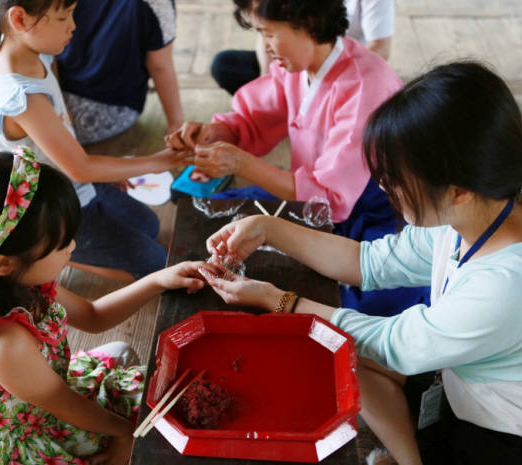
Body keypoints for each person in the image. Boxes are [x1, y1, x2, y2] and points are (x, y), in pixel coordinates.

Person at [201, 62, 522, 465]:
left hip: (517, 440)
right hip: (468, 387)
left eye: (396, 176)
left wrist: (278, 301)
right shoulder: (484, 209)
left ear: (458, 189)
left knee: (341, 350)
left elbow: (396, 346)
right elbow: (369, 261)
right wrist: (268, 228)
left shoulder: (509, 286)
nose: (383, 186)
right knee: (342, 355)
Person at [0, 150, 210, 465]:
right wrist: (126, 435)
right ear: (3, 263)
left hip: (48, 399)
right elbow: (66, 404)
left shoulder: (22, 286)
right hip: (21, 439)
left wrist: (157, 281)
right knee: (156, 433)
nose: (74, 247)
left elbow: (93, 317)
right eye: (61, 244)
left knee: (162, 395)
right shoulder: (5, 345)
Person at [166, 0, 427, 317]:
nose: (265, 47)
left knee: (371, 309)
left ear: (310, 23)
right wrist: (214, 133)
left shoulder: (364, 82)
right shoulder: (295, 69)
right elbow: (252, 120)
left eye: (269, 34)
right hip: (314, 199)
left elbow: (332, 199)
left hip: (375, 214)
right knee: (217, 220)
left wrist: (241, 164)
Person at [0, 0, 189, 283]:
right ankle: (49, 254)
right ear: (20, 19)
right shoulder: (21, 96)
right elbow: (81, 169)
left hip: (66, 181)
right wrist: (161, 161)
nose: (73, 25)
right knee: (157, 265)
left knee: (149, 225)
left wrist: (103, 174)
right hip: (48, 208)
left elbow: (75, 161)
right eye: (63, 18)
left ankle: (63, 247)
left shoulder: (28, 48)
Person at [56, 0, 184, 144]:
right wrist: (53, 97)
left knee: (42, 136)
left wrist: (176, 124)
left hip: (108, 102)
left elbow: (160, 67)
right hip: (54, 81)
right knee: (35, 132)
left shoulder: (156, 4)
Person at [211, 0, 395, 95]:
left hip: (336, 64)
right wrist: (269, 82)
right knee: (225, 65)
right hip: (295, 58)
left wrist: (328, 77)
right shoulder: (283, 54)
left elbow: (381, 48)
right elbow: (268, 27)